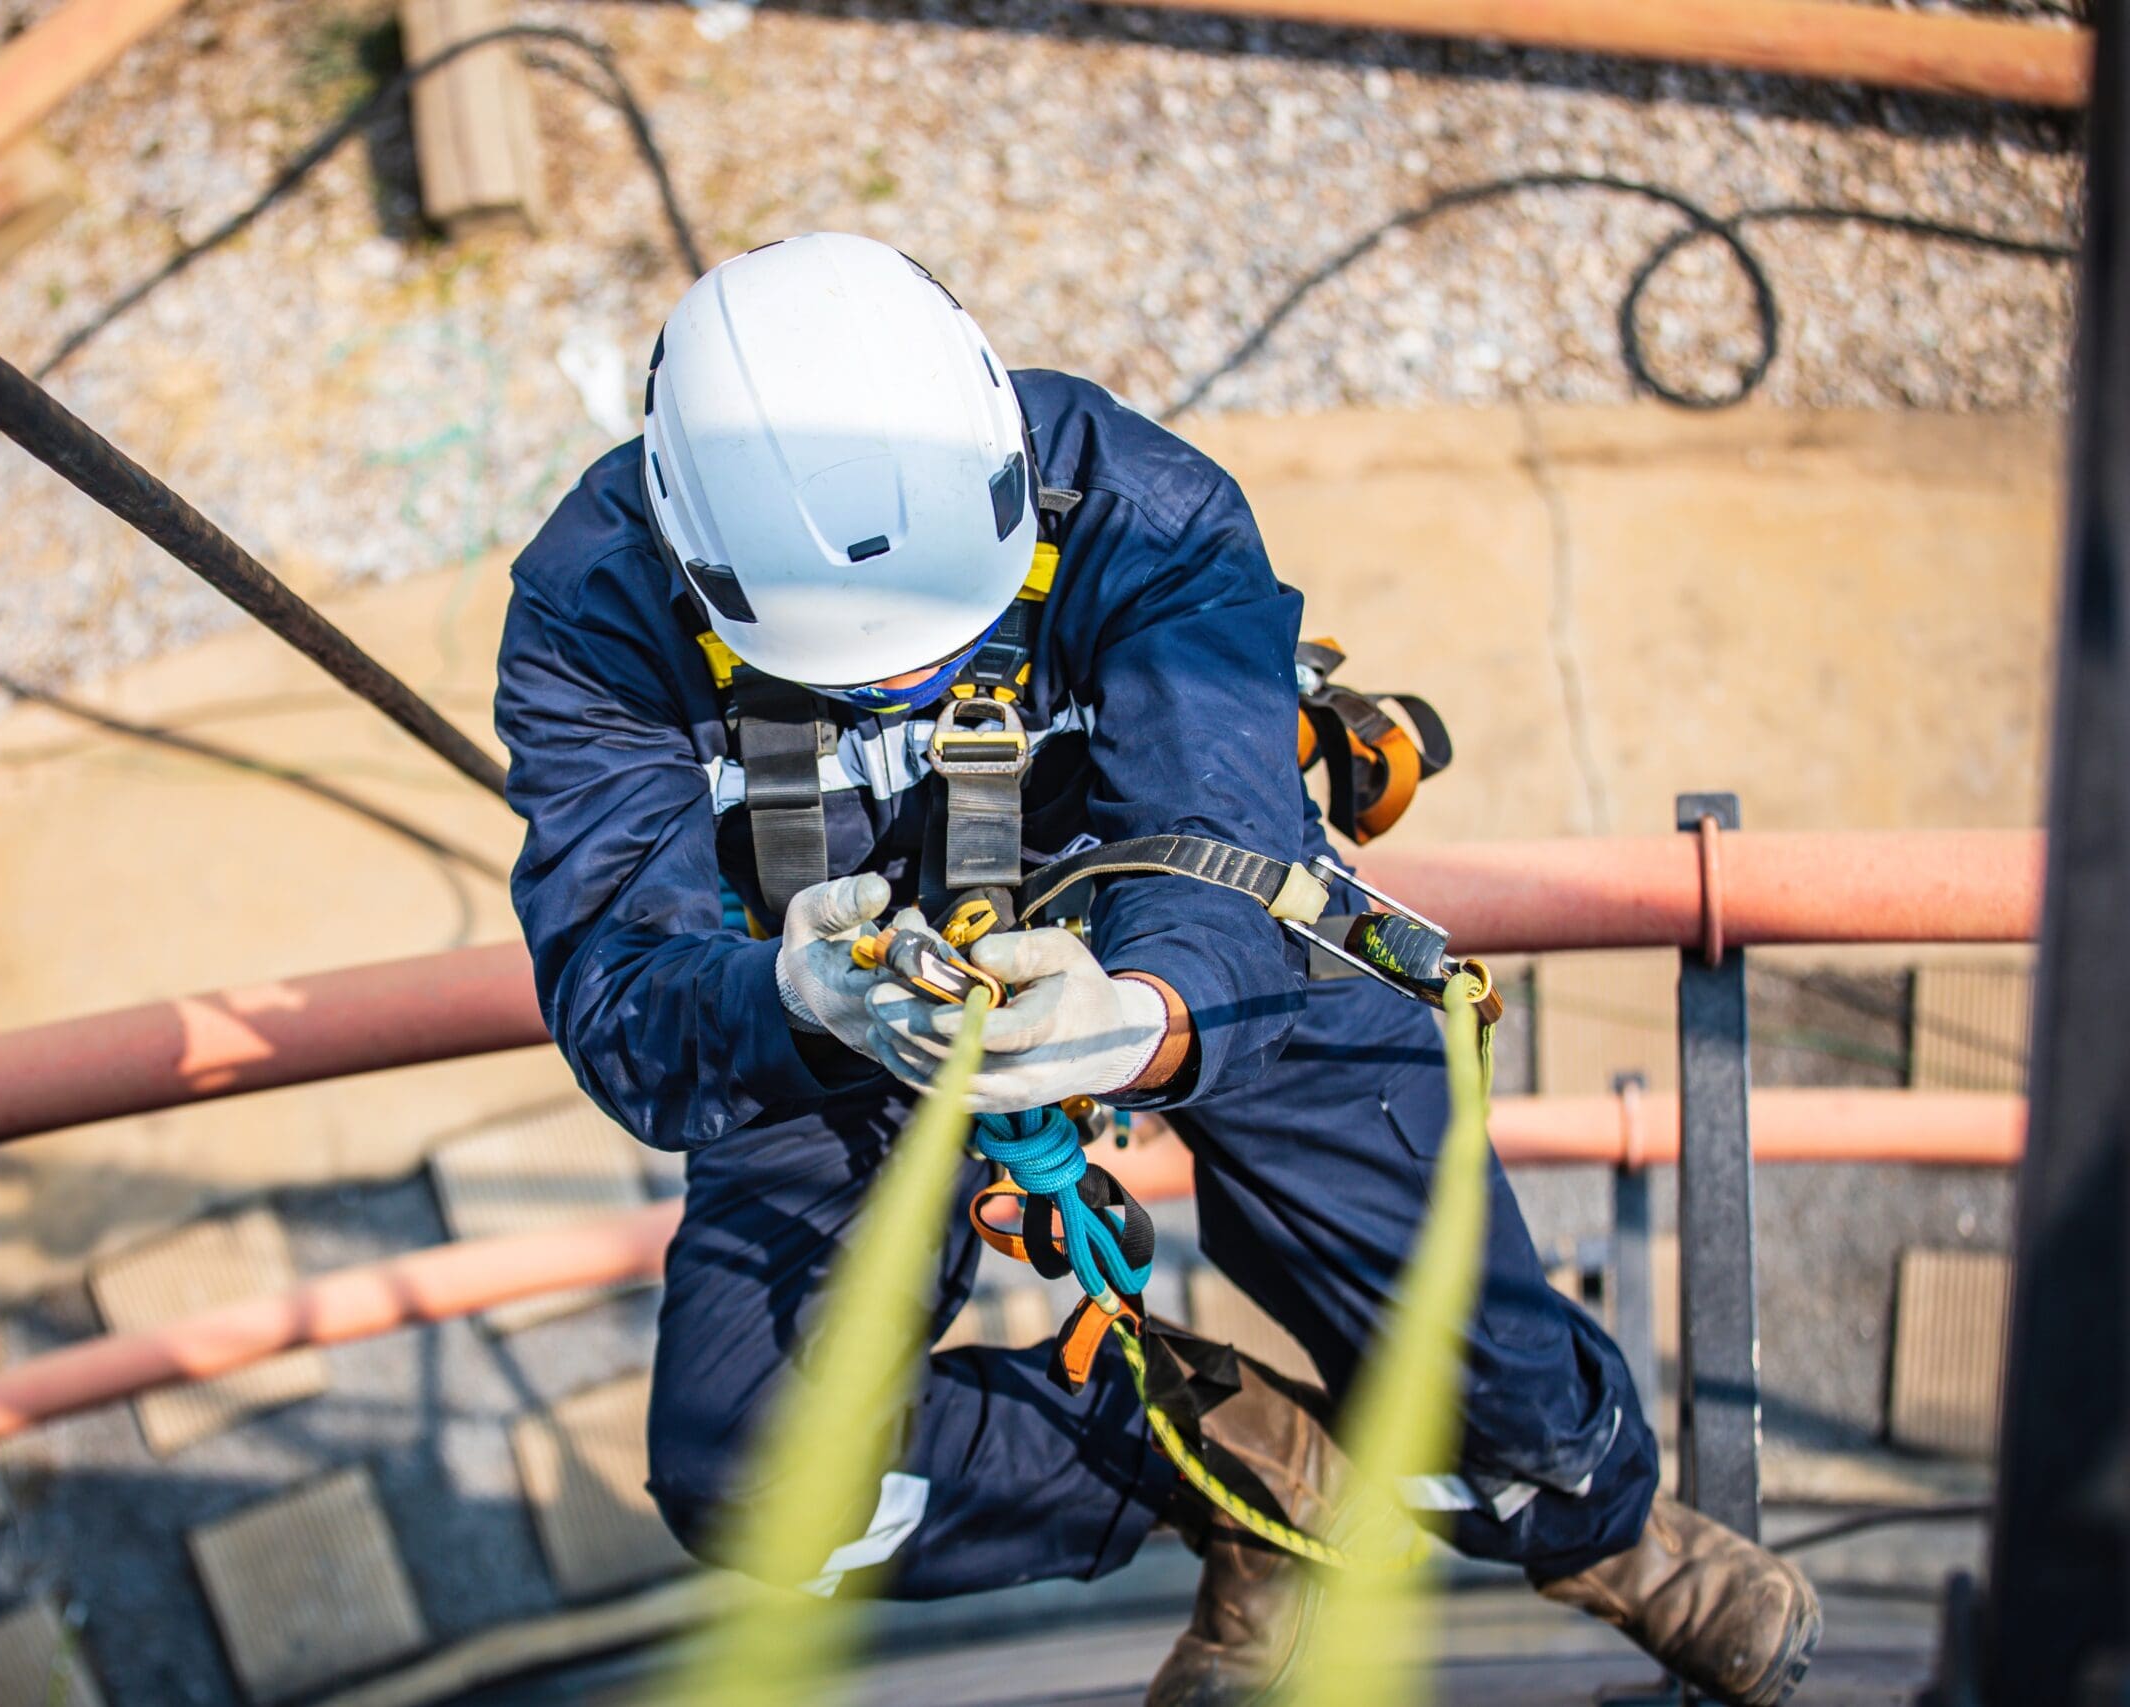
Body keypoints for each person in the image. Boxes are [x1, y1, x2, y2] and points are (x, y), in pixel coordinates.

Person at [495, 231, 1821, 1706]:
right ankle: (1242, 1477)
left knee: (1427, 1267)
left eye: (936, 649)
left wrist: (1149, 1011)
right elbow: (624, 990)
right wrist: (794, 1002)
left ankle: (1588, 1518)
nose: (904, 683)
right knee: (758, 1475)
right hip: (835, 1011)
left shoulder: (1140, 511)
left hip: (1163, 932)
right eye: (854, 671)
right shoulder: (596, 614)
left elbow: (1224, 828)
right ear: (695, 556)